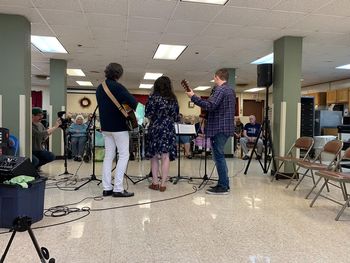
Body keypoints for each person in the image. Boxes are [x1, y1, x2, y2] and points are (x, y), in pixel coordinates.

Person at [186, 68, 235, 195]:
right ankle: (224, 183)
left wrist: (193, 97)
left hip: (218, 128)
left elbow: (210, 106)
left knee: (218, 157)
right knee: (218, 156)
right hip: (225, 128)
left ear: (217, 77)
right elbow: (217, 108)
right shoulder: (230, 90)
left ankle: (223, 186)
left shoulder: (221, 89)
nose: (214, 80)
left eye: (214, 78)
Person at [96, 62, 138, 198]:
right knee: (124, 154)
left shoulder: (99, 88)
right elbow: (133, 103)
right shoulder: (118, 87)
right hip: (119, 127)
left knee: (109, 156)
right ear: (119, 74)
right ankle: (118, 188)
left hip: (105, 127)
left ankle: (107, 188)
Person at [146, 76, 179, 192]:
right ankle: (163, 184)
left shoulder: (152, 98)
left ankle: (155, 183)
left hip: (155, 127)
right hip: (168, 128)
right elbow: (176, 116)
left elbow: (148, 113)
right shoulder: (173, 99)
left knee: (154, 157)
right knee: (166, 157)